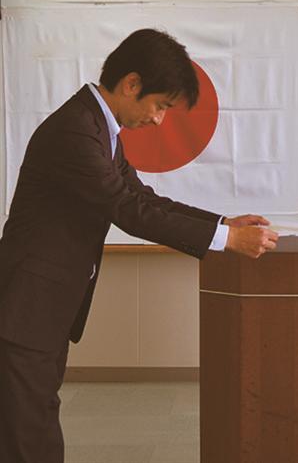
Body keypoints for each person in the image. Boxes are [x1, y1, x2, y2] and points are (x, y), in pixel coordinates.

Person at [0, 28, 278, 463]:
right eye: (160, 105)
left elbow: (143, 198)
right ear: (132, 84)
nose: (159, 120)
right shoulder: (76, 130)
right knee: (28, 431)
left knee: (32, 421)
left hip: (44, 306)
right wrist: (227, 241)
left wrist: (222, 223)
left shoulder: (98, 128)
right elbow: (128, 211)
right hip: (27, 306)